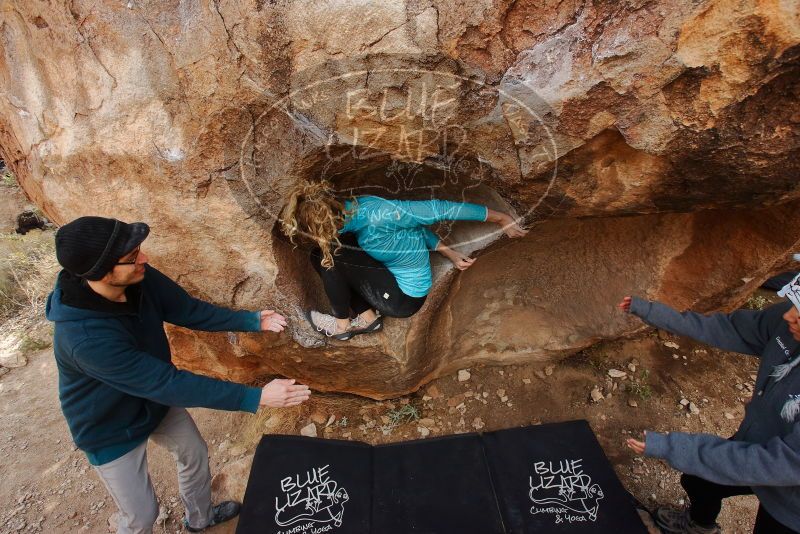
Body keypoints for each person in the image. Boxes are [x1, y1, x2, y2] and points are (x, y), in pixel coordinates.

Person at [47, 216, 311, 534]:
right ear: (103, 273)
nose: (143, 259)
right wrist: (256, 397)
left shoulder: (136, 279)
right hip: (109, 425)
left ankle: (200, 519)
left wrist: (251, 321)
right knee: (142, 517)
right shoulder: (83, 339)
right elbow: (167, 383)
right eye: (132, 258)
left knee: (194, 453)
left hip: (153, 401)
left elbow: (187, 310)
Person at [618, 278, 800, 534]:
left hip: (792, 504)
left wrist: (673, 447)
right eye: (795, 301)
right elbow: (732, 329)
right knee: (700, 481)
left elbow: (767, 463)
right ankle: (700, 525)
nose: (790, 314)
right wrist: (656, 314)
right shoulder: (788, 321)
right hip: (762, 441)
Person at [280, 180, 528, 340]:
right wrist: (447, 251)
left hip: (404, 298)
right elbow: (408, 230)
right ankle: (368, 320)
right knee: (319, 253)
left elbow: (440, 209)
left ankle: (342, 327)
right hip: (389, 272)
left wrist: (500, 219)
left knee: (328, 258)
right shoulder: (355, 208)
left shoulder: (380, 215)